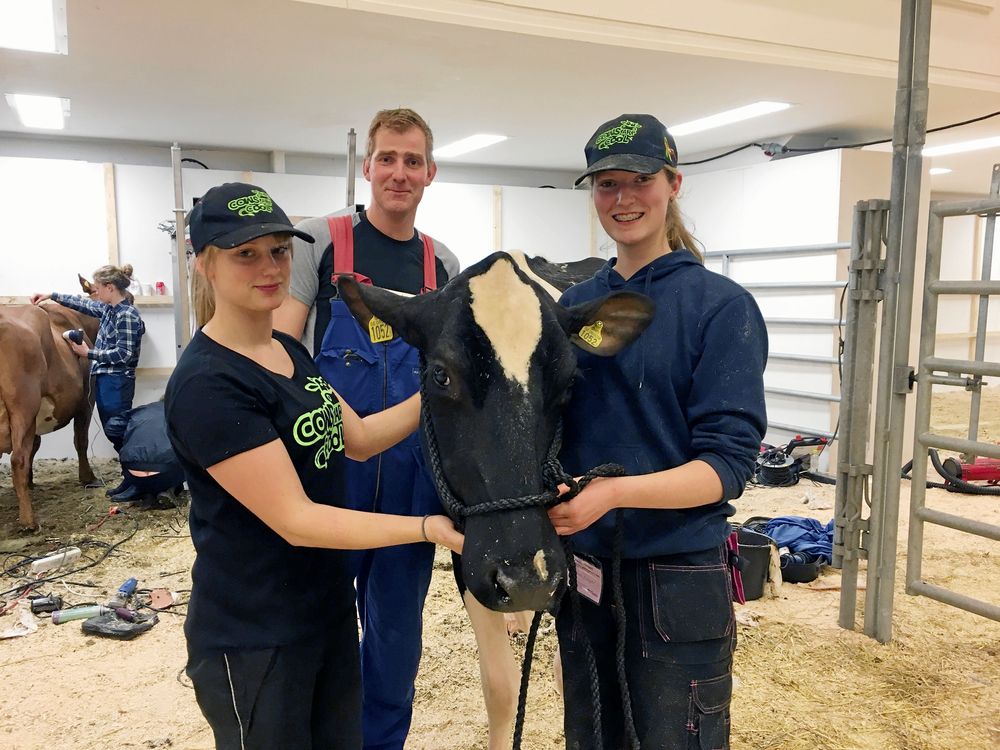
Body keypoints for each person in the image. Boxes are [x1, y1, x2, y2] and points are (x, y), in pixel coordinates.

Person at [164, 182, 463, 750]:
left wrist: (447, 386)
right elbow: (296, 519)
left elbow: (364, 438)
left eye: (278, 250)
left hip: (324, 614)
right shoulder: (210, 383)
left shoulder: (289, 352)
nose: (269, 267)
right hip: (256, 634)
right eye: (244, 254)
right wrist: (427, 529)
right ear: (205, 264)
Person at [547, 114, 768, 749]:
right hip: (585, 570)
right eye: (606, 185)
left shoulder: (720, 307)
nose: (622, 199)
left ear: (673, 183)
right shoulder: (572, 307)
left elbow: (726, 467)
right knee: (592, 737)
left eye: (639, 180)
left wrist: (614, 494)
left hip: (677, 576)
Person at [273, 107, 458, 750]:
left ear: (430, 172)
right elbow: (284, 354)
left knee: (396, 643)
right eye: (387, 158)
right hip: (330, 477)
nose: (398, 173)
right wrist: (341, 436)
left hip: (411, 488)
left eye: (413, 161)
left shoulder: (443, 266)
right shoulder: (318, 243)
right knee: (318, 632)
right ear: (367, 166)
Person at [31, 264, 146, 498]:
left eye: (97, 288)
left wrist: (88, 354)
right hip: (105, 378)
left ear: (109, 287)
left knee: (118, 431)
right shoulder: (109, 310)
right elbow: (83, 304)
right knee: (113, 430)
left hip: (117, 380)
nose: (95, 293)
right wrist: (52, 295)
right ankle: (130, 479)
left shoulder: (127, 315)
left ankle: (139, 483)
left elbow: (124, 354)